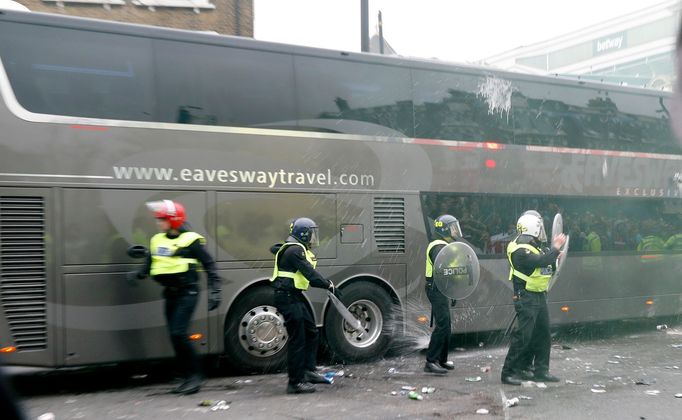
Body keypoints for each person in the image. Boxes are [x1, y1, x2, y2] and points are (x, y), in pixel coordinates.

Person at [128, 200, 222, 395]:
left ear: (174, 220)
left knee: (178, 333)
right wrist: (137, 274)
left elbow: (209, 264)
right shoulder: (156, 240)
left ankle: (195, 376)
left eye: (162, 219)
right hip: (170, 293)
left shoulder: (191, 241)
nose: (158, 222)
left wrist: (215, 290)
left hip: (187, 292)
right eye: (158, 219)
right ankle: (186, 376)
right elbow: (150, 262)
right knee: (174, 335)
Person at [270, 217, 335, 394]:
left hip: (295, 296)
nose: (314, 238)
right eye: (312, 234)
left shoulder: (295, 249)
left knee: (311, 332)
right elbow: (310, 274)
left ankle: (308, 371)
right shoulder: (294, 251)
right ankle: (295, 382)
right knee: (297, 339)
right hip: (287, 298)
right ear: (303, 234)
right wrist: (328, 284)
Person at [501, 211, 566, 386]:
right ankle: (508, 373)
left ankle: (540, 371)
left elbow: (547, 264)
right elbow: (540, 261)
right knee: (523, 336)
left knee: (543, 334)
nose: (541, 232)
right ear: (532, 229)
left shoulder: (533, 245)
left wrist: (554, 256)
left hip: (539, 295)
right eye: (539, 228)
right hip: (526, 296)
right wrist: (555, 248)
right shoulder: (519, 249)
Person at [423, 214, 461, 374]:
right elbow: (443, 269)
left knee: (446, 326)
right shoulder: (438, 246)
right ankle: (430, 361)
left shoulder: (445, 245)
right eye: (453, 227)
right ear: (445, 229)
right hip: (436, 289)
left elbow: (448, 272)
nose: (456, 230)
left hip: (441, 288)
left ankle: (442, 359)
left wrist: (451, 292)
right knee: (443, 325)